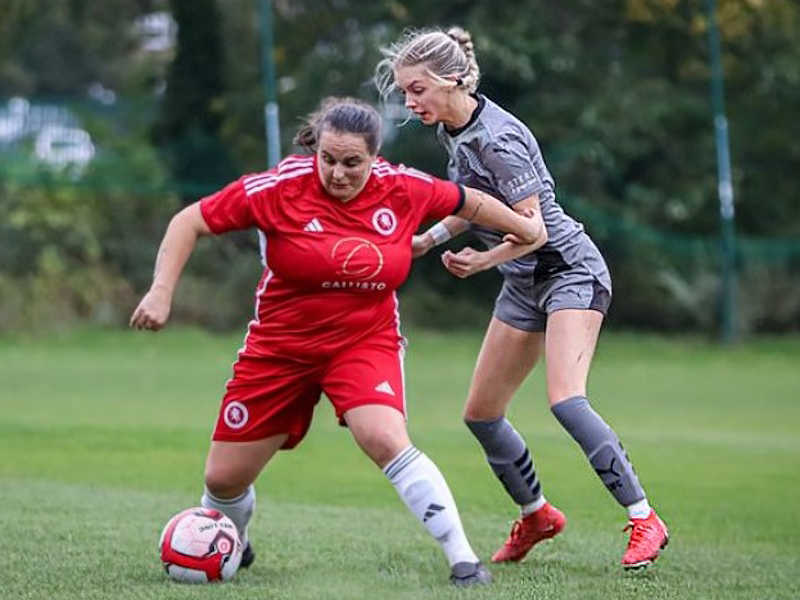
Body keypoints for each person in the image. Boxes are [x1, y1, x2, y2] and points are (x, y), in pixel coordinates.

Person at [130, 97, 542, 586]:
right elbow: (189, 220)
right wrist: (160, 292)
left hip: (364, 341)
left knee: (384, 437)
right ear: (316, 150)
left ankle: (463, 561)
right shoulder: (281, 188)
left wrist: (525, 228)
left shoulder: (403, 187)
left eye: (352, 163)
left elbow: (469, 200)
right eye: (328, 159)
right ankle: (230, 544)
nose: (338, 173)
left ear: (374, 157)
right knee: (222, 480)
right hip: (280, 346)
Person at [375, 28, 669, 570]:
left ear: (451, 81)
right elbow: (476, 205)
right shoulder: (455, 129)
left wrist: (480, 261)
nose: (409, 101)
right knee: (481, 415)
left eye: (416, 90)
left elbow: (532, 231)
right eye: (405, 91)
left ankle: (644, 519)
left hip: (568, 272)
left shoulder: (496, 139)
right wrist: (428, 241)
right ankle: (537, 516)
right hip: (524, 283)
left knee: (566, 400)